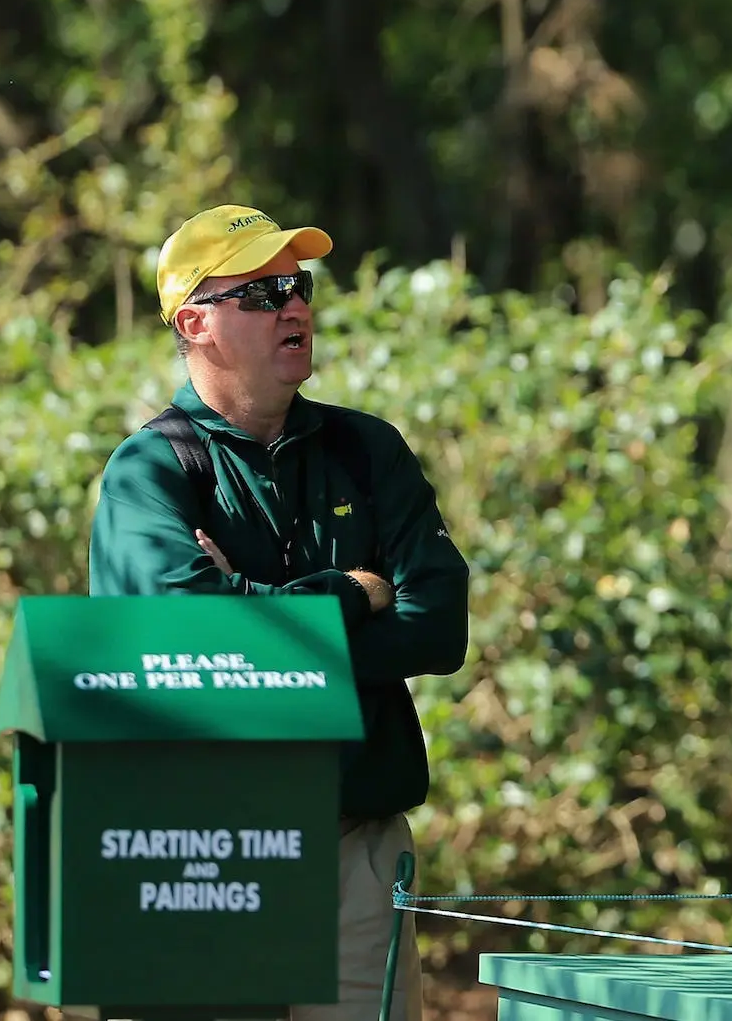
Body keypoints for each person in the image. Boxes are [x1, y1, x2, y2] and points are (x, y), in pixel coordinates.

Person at [90, 206, 470, 1021]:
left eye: (297, 285)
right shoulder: (146, 474)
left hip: (353, 845)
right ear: (194, 322)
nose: (294, 306)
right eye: (262, 291)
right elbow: (196, 641)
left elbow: (440, 628)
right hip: (201, 850)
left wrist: (256, 620)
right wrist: (354, 593)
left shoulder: (371, 450)